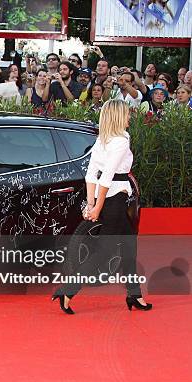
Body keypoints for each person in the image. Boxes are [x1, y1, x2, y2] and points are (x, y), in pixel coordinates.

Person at [53, 99, 152, 314]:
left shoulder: (103, 140)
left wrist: (91, 203)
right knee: (105, 252)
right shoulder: (121, 140)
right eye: (126, 114)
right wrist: (96, 208)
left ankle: (134, 295)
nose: (129, 117)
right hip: (114, 201)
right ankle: (68, 291)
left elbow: (91, 174)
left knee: (128, 248)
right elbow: (105, 177)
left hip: (108, 199)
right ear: (118, 117)